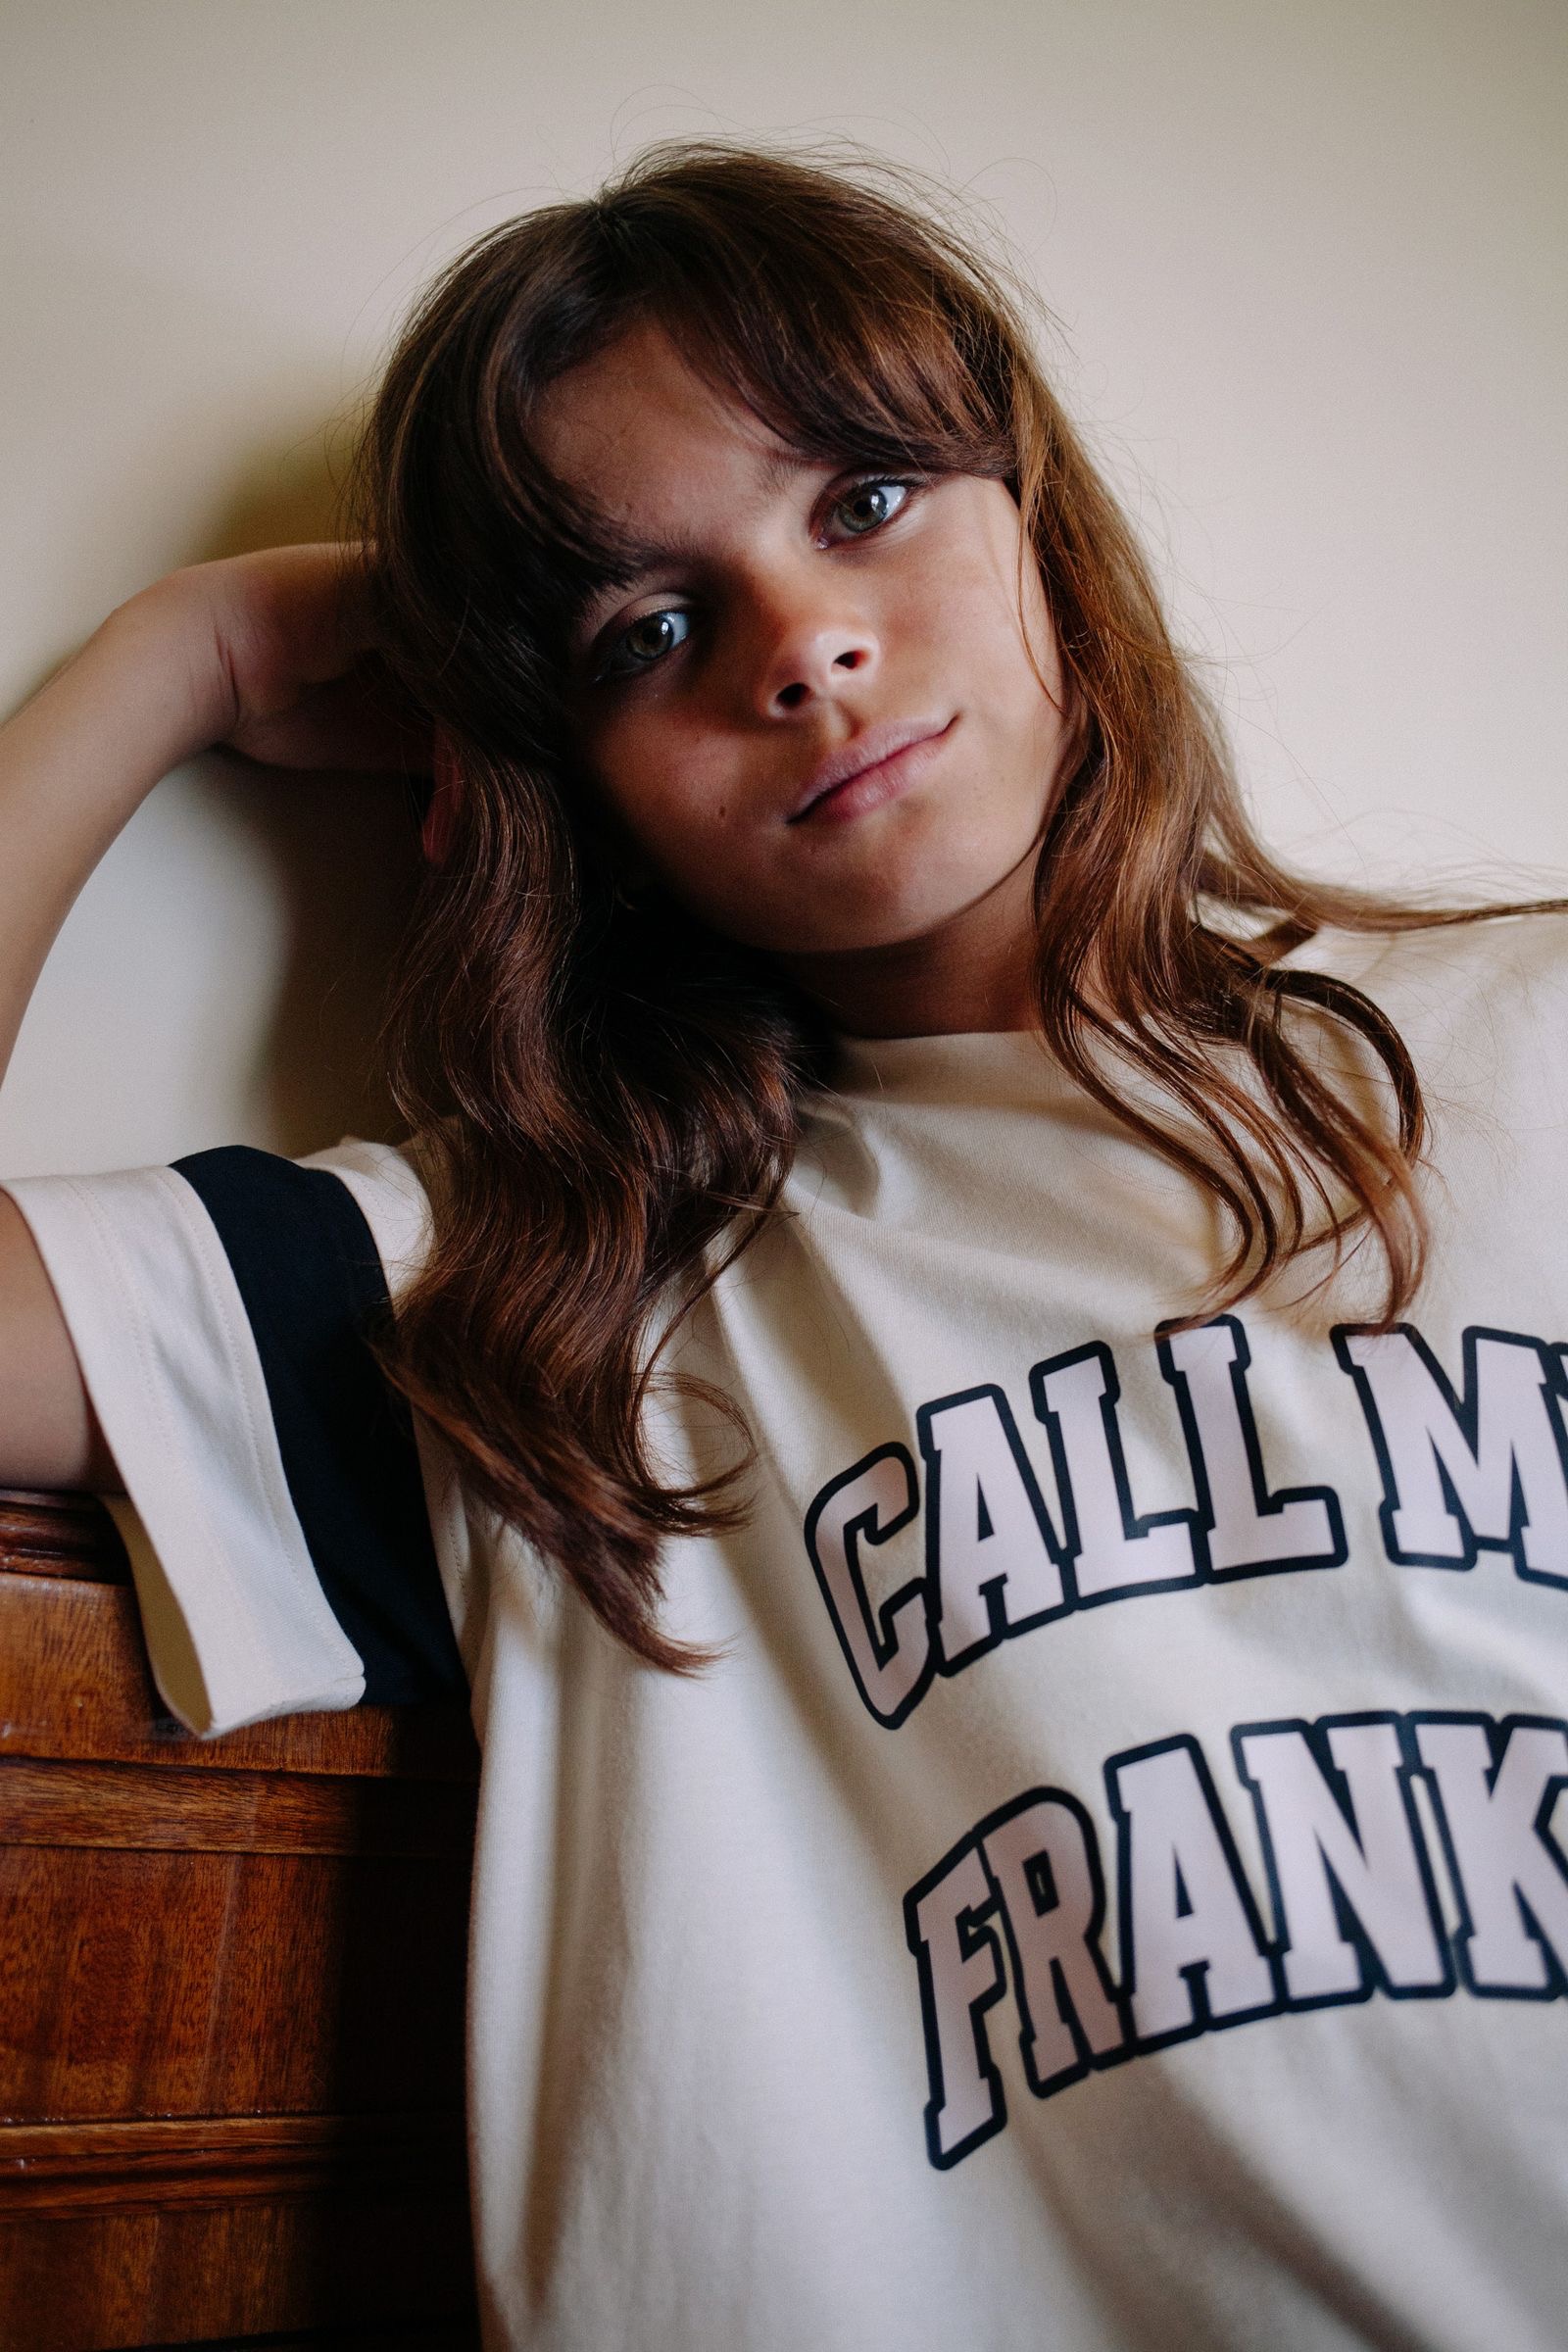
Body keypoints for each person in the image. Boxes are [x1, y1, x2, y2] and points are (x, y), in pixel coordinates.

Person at [2, 140, 1566, 2352]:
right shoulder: (539, 1290)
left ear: (1033, 513)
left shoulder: (1532, 1036)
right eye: (645, 632)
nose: (806, 647)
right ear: (567, 787)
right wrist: (186, 654)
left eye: (864, 499)